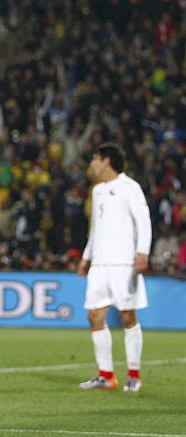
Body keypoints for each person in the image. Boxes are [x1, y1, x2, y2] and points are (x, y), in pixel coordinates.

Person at [77, 143, 151, 393]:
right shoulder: (97, 191)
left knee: (127, 316)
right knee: (94, 316)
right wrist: (86, 257)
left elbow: (143, 220)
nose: (92, 164)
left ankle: (133, 375)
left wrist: (143, 252)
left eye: (95, 158)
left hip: (123, 263)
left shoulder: (130, 187)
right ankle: (106, 375)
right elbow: (96, 229)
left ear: (107, 160)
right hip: (100, 264)